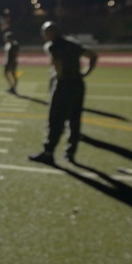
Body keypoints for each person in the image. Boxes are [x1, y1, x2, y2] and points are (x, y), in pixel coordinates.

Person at [28, 20, 98, 164]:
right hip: (78, 84)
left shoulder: (53, 46)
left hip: (64, 84)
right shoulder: (72, 43)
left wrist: (57, 78)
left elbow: (58, 66)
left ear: (51, 32)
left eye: (45, 32)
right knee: (74, 119)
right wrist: (85, 73)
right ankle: (70, 152)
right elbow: (92, 55)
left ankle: (49, 152)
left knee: (55, 119)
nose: (43, 35)